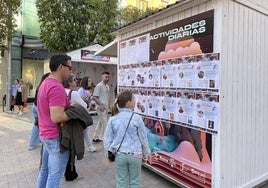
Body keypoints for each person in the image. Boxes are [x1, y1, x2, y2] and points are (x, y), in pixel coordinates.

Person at [37, 54, 72, 188]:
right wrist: (73, 114)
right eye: (69, 67)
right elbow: (57, 117)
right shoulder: (56, 87)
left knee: (45, 171)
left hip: (46, 135)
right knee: (55, 176)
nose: (70, 71)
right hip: (56, 137)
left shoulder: (45, 83)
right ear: (61, 67)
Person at [104, 90, 151, 188]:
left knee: (121, 182)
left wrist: (108, 154)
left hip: (120, 155)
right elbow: (143, 138)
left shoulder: (113, 118)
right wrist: (146, 154)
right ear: (129, 102)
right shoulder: (137, 118)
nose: (135, 100)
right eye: (133, 98)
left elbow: (107, 138)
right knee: (135, 182)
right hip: (136, 155)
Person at [64, 75, 96, 152]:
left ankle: (88, 146)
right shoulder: (74, 93)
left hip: (68, 116)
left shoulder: (63, 90)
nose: (76, 81)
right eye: (74, 80)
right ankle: (85, 147)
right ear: (69, 82)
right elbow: (84, 105)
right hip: (77, 115)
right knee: (84, 131)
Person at [28, 73, 50, 150]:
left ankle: (39, 140)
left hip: (35, 106)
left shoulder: (40, 86)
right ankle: (32, 143)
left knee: (39, 125)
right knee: (37, 125)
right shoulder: (44, 86)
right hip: (38, 108)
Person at [77, 76, 97, 151]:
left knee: (85, 130)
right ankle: (89, 146)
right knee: (84, 130)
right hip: (82, 113)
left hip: (86, 112)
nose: (90, 82)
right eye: (89, 81)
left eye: (91, 81)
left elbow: (89, 102)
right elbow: (81, 102)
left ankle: (87, 146)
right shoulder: (81, 90)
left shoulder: (87, 91)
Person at [92, 72, 111, 143]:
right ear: (102, 77)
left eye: (108, 77)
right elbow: (94, 97)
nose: (107, 78)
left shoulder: (107, 86)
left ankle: (95, 137)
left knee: (100, 123)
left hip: (105, 108)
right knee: (105, 124)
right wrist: (101, 105)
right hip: (101, 108)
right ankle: (107, 140)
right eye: (106, 77)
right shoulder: (99, 86)